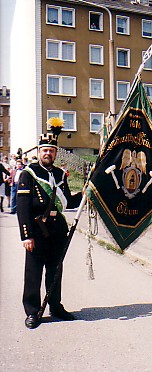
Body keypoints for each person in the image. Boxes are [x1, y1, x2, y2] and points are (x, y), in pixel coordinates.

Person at [16, 118, 84, 329]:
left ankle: (55, 306)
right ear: (38, 152)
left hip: (56, 231)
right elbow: (23, 207)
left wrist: (85, 194)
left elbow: (68, 202)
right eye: (45, 150)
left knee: (55, 270)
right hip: (36, 231)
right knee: (33, 273)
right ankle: (33, 311)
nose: (48, 154)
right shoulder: (29, 174)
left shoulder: (59, 174)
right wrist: (26, 235)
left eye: (51, 151)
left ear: (55, 153)